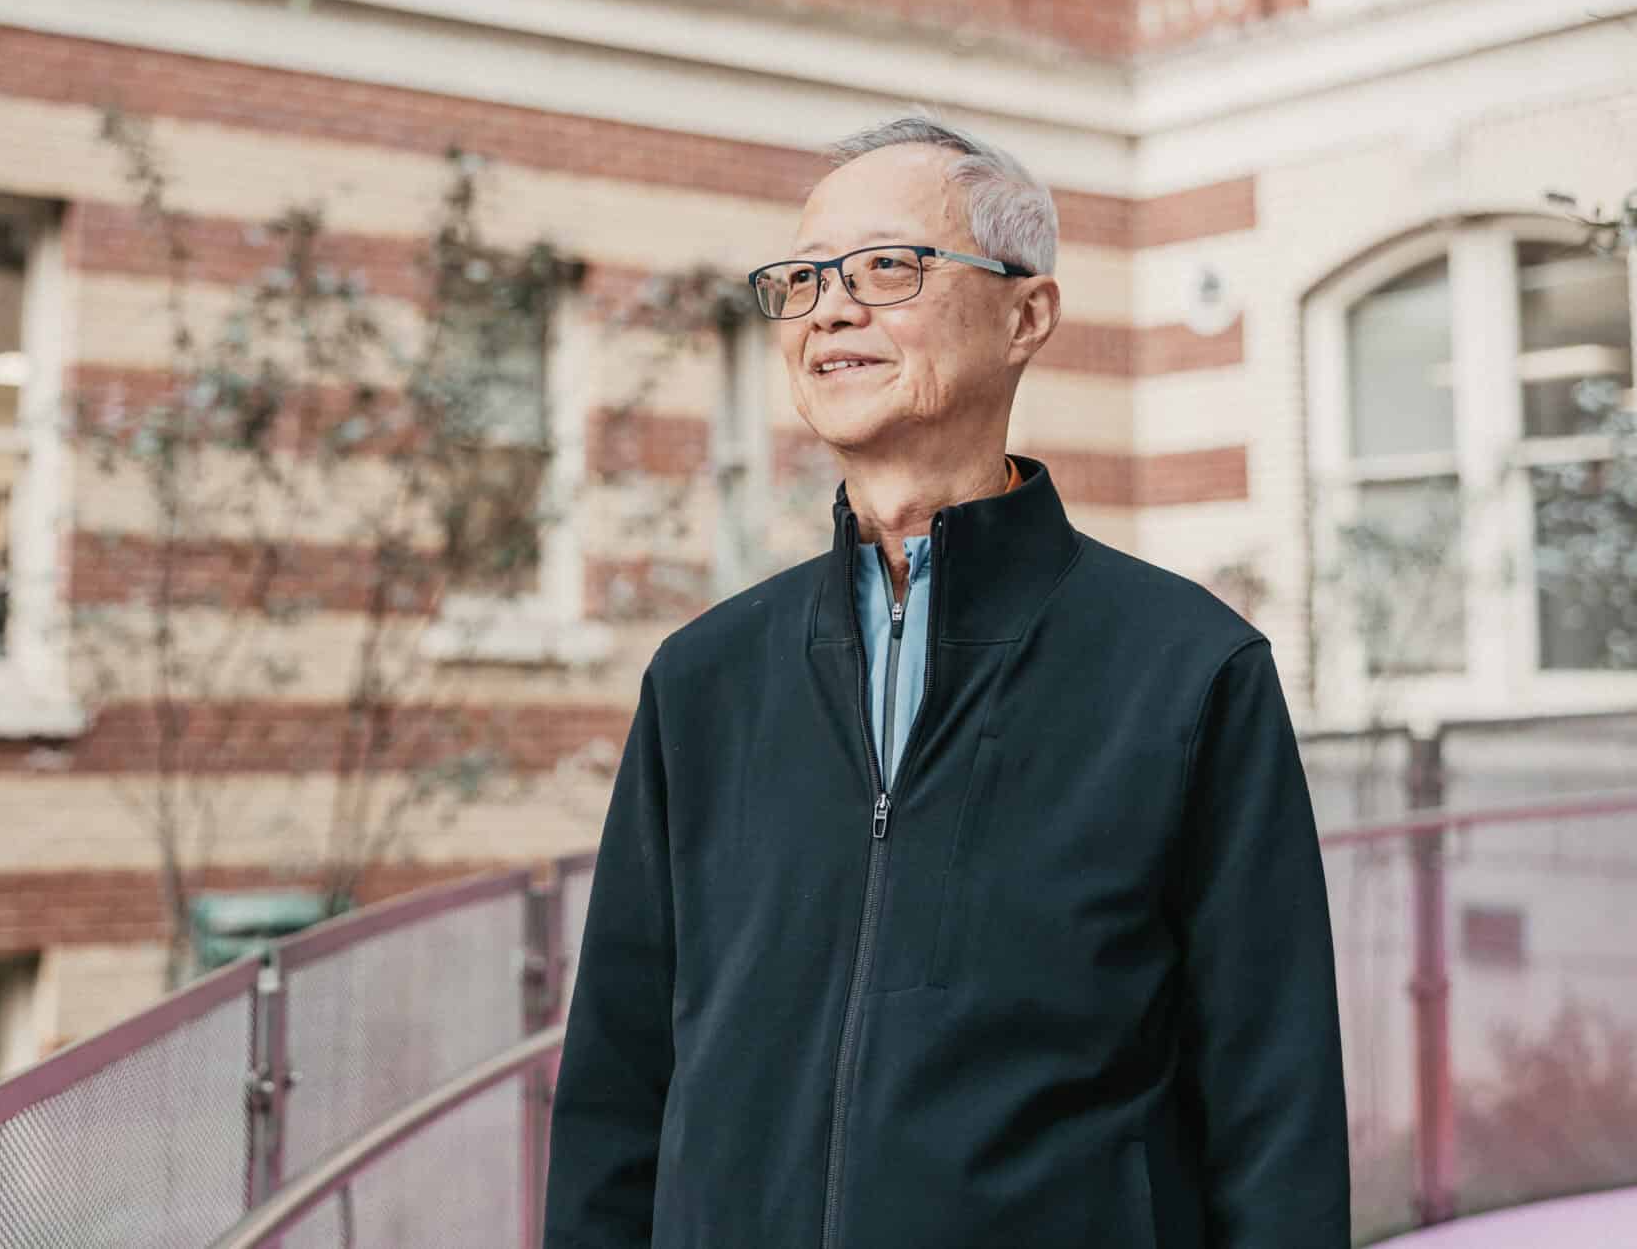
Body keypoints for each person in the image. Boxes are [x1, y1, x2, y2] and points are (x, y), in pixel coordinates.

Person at [544, 116, 1347, 1248]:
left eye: (885, 268)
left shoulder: (1186, 670)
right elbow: (618, 1082)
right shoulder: (703, 680)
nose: (830, 310)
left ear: (1027, 315)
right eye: (804, 280)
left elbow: (1274, 1099)